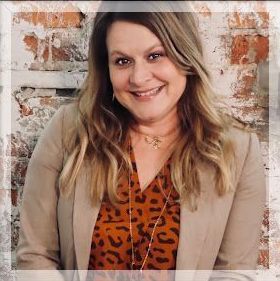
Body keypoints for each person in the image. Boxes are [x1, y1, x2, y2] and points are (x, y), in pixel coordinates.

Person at [16, 1, 266, 280]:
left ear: (184, 54)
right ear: (106, 68)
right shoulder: (69, 131)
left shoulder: (238, 150)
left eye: (155, 56)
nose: (139, 77)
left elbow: (233, 274)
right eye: (122, 61)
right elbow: (35, 257)